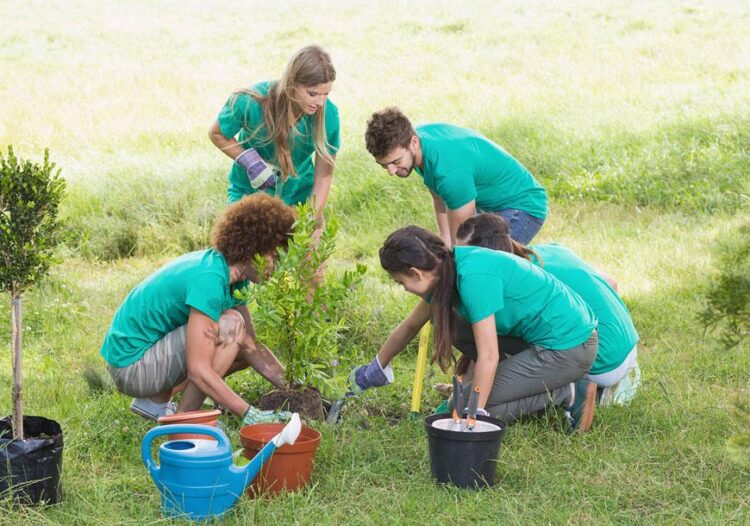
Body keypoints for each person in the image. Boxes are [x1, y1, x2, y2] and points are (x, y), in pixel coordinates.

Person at [350, 225, 600, 432]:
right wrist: (376, 367)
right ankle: (523, 380)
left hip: (569, 347)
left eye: (400, 282)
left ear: (415, 273)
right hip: (537, 338)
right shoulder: (445, 270)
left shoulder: (474, 279)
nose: (403, 288)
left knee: (459, 410)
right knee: (443, 320)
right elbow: (410, 326)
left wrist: (474, 414)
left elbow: (488, 355)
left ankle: (562, 392)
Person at [100, 194, 296, 424]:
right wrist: (250, 414)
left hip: (146, 356)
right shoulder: (210, 279)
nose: (277, 267)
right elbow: (197, 369)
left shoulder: (233, 275)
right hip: (131, 366)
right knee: (231, 325)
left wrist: (295, 387)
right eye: (274, 256)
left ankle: (156, 401)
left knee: (241, 344)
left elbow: (251, 347)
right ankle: (184, 421)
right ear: (255, 247)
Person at [456, 213, 640, 404]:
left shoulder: (518, 284)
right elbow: (612, 283)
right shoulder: (549, 250)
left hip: (598, 362)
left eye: (467, 256)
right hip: (628, 348)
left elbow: (487, 341)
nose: (461, 264)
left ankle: (568, 390)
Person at [364, 107, 547, 247]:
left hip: (522, 207)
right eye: (384, 165)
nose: (391, 171)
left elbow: (463, 243)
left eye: (395, 162)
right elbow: (439, 196)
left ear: (413, 143)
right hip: (489, 206)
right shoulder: (418, 146)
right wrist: (445, 241)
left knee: (482, 266)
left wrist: (453, 254)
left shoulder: (449, 172)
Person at [209, 44, 340, 229]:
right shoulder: (251, 102)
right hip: (250, 195)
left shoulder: (329, 116)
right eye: (312, 94)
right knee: (244, 253)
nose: (320, 102)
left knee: (311, 255)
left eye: (326, 94)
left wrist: (307, 219)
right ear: (292, 83)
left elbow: (323, 177)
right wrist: (248, 160)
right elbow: (217, 133)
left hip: (299, 196)